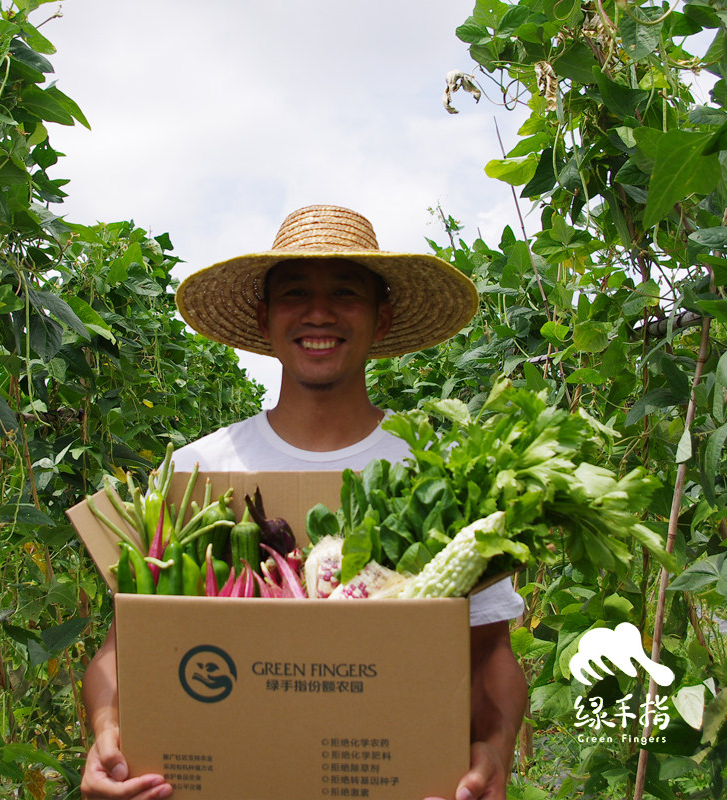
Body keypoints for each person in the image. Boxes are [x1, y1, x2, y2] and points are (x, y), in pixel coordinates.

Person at [80, 205, 528, 800]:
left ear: (382, 317)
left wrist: (494, 751)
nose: (319, 313)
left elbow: (489, 648)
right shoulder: (197, 472)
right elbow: (126, 646)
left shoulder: (436, 473)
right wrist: (108, 734)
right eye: (295, 293)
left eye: (345, 292)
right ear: (265, 318)